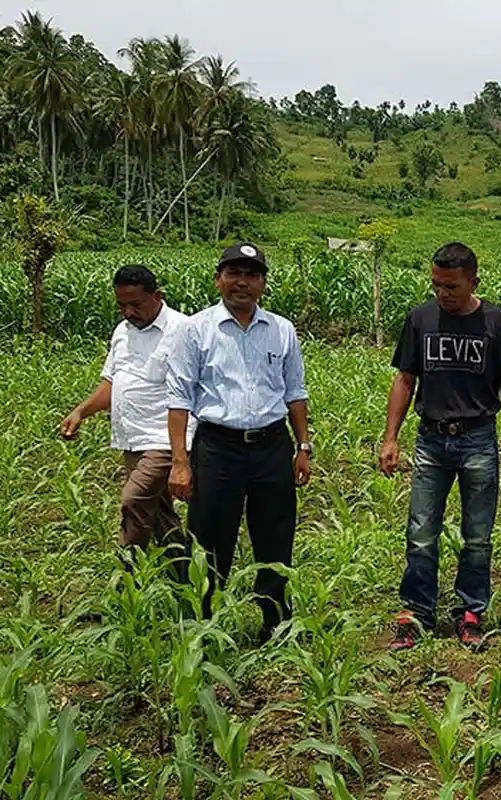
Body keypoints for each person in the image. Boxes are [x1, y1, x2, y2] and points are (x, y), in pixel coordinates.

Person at [379, 242, 501, 651]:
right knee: (421, 532)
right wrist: (390, 437)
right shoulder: (420, 319)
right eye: (436, 285)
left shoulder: (495, 322)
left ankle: (470, 612)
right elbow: (405, 379)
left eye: (451, 286)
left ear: (473, 282)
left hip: (478, 438)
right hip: (431, 439)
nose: (442, 294)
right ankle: (417, 612)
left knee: (477, 536)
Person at [165, 242, 312, 645]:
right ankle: (201, 626)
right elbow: (179, 399)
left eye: (251, 274)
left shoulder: (281, 330)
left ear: (263, 282)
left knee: (275, 535)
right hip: (217, 448)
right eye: (233, 273)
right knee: (210, 536)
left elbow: (295, 392)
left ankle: (276, 623)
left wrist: (303, 447)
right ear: (218, 279)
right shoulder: (196, 330)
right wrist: (180, 461)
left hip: (271, 447)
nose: (241, 282)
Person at [60, 264, 196, 577]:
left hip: (165, 439)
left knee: (133, 501)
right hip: (131, 435)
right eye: (121, 304)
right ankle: (183, 577)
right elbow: (112, 381)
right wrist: (81, 411)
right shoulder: (123, 332)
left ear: (157, 296)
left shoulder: (184, 330)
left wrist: (182, 457)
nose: (128, 312)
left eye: (135, 304)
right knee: (160, 513)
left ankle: (127, 578)